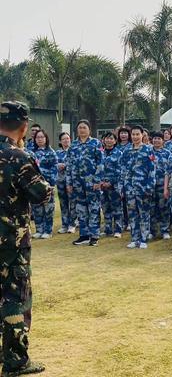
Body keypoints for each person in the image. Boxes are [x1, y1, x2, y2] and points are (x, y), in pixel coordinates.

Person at [0, 101, 52, 376]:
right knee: (14, 298)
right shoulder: (18, 157)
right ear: (23, 127)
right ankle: (15, 360)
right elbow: (42, 194)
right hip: (12, 243)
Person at [67, 120, 104, 247]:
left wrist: (97, 180)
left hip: (92, 182)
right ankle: (84, 235)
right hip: (77, 182)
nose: (82, 130)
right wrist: (69, 183)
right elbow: (69, 165)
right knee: (81, 209)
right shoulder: (73, 145)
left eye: (84, 127)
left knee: (93, 208)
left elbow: (100, 162)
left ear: (89, 130)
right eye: (80, 128)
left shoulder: (96, 143)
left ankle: (94, 236)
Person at [120, 125, 156, 249]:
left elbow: (152, 170)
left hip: (143, 187)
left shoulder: (148, 150)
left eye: (137, 134)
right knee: (132, 214)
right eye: (133, 134)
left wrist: (149, 187)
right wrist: (122, 187)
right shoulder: (126, 151)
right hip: (129, 188)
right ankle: (134, 238)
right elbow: (123, 170)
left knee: (144, 213)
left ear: (142, 135)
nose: (135, 137)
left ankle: (144, 238)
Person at [30, 130, 58, 239]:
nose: (40, 139)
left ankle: (48, 230)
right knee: (37, 208)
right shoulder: (31, 152)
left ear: (46, 139)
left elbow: (54, 168)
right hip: (35, 185)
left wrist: (51, 183)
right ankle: (39, 230)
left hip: (47, 184)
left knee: (48, 208)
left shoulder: (51, 152)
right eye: (38, 137)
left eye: (42, 137)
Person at [100, 132, 123, 238]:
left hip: (114, 186)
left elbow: (120, 170)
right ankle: (108, 229)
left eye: (111, 139)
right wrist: (100, 182)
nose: (109, 140)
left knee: (116, 208)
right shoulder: (100, 152)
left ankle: (118, 229)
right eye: (107, 138)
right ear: (103, 140)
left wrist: (111, 182)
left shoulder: (119, 153)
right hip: (101, 186)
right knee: (105, 208)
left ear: (115, 141)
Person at [151, 132, 171, 240]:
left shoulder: (168, 153)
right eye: (155, 138)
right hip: (150, 185)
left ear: (163, 140)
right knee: (151, 208)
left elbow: (169, 170)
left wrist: (167, 187)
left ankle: (165, 230)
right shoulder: (148, 152)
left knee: (164, 208)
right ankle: (153, 231)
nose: (156, 141)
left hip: (163, 185)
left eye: (159, 138)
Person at [56, 132, 76, 234]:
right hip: (60, 181)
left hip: (71, 181)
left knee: (72, 203)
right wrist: (58, 165)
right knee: (63, 203)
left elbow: (76, 164)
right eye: (63, 139)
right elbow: (53, 165)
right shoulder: (57, 153)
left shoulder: (73, 151)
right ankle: (64, 224)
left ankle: (72, 224)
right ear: (60, 141)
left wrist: (66, 165)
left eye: (67, 138)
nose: (66, 140)